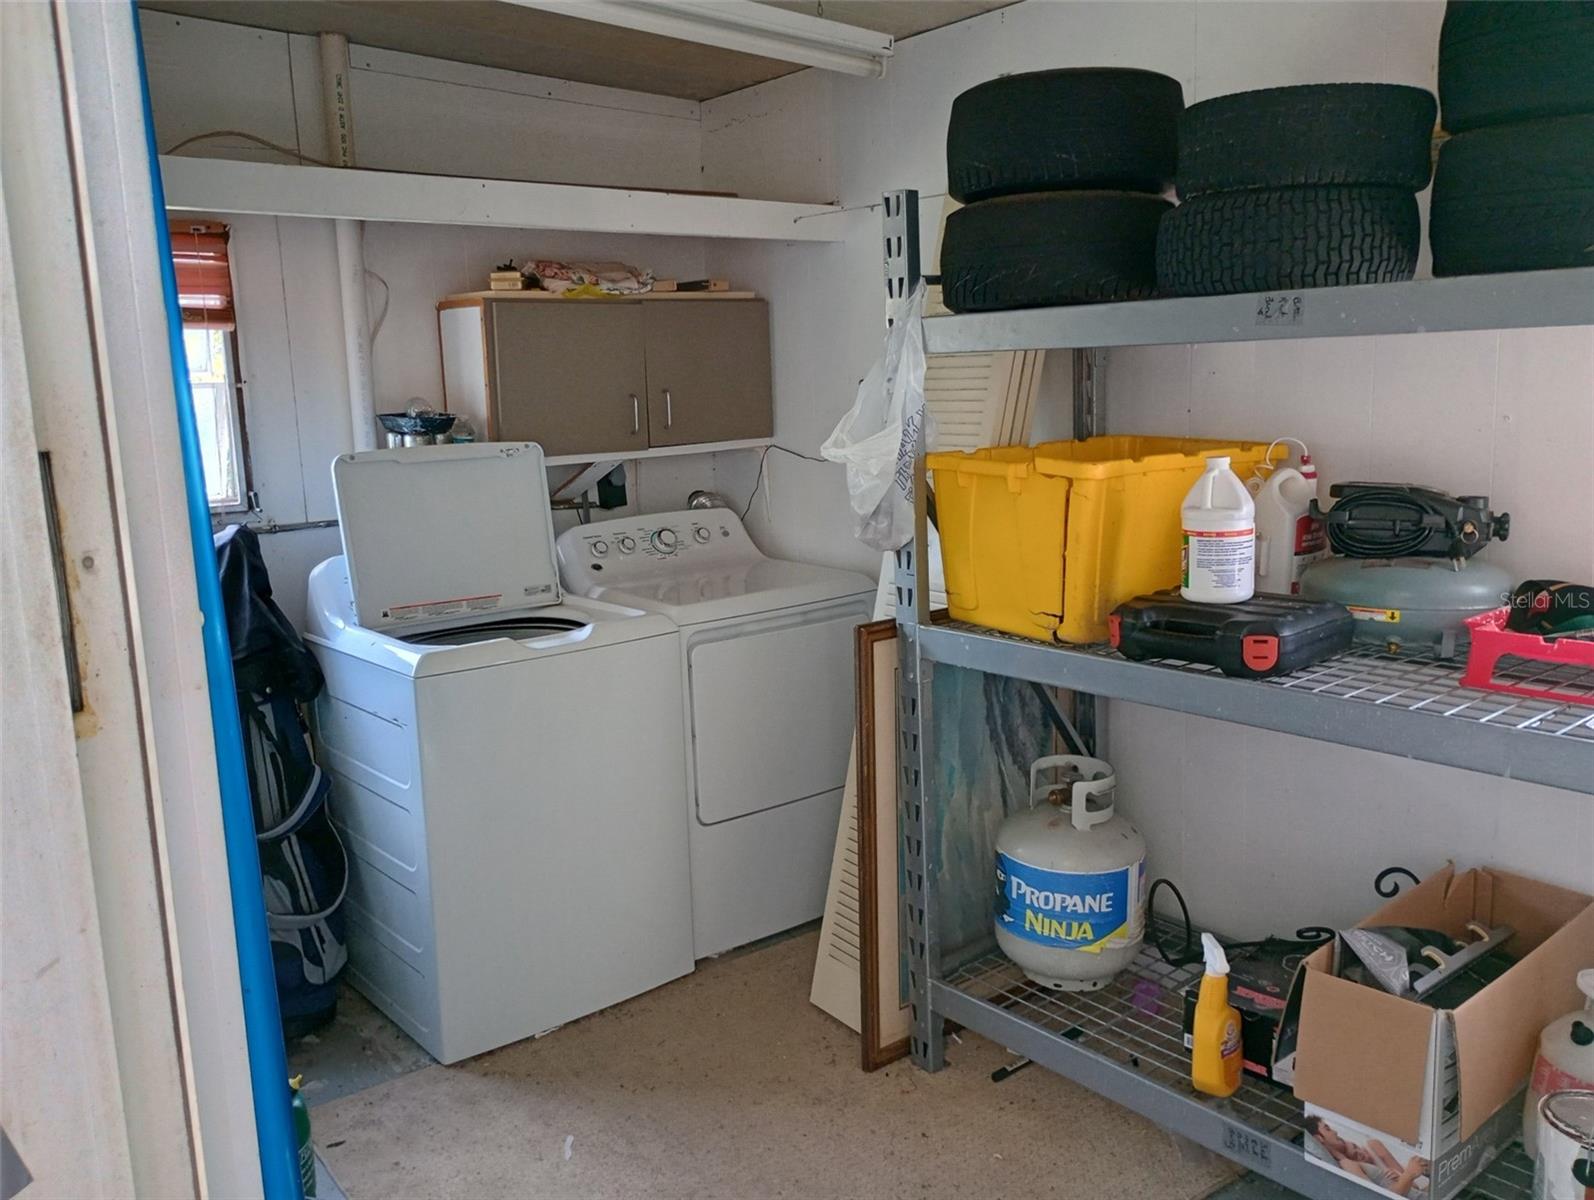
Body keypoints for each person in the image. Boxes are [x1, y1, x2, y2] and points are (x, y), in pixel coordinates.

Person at [1304, 1115, 1431, 1197]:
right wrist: (1408, 1174)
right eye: (1327, 1129)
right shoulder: (1347, 1164)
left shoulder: (1348, 1162)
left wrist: (1402, 1176)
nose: (1335, 1131)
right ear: (1318, 1138)